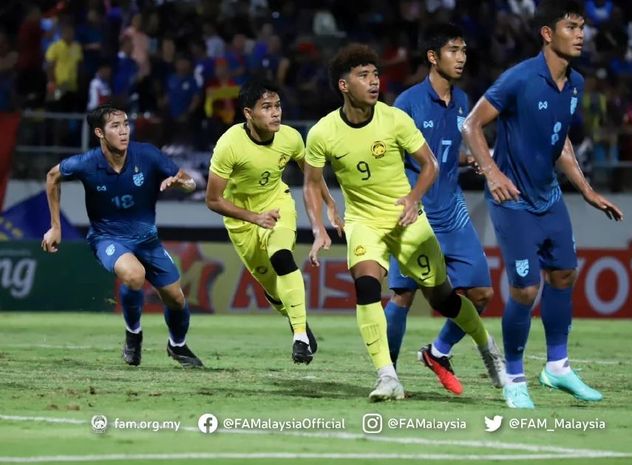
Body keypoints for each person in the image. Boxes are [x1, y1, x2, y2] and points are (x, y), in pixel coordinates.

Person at [304, 44, 505, 401]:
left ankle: (486, 345)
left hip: (406, 219)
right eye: (363, 75)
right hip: (364, 222)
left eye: (376, 74)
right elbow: (311, 182)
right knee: (367, 288)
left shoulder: (394, 119)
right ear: (343, 85)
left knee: (443, 298)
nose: (373, 82)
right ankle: (387, 376)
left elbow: (430, 164)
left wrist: (413, 199)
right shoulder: (323, 133)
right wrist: (320, 225)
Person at [463, 0, 623, 409]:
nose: (581, 34)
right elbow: (472, 124)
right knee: (525, 288)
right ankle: (514, 377)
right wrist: (493, 173)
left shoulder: (576, 84)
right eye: (571, 26)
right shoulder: (519, 78)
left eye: (582, 27)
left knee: (564, 274)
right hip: (512, 198)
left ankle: (558, 367)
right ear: (547, 34)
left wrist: (585, 189)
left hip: (548, 195)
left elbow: (561, 141)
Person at [41, 104, 203, 368]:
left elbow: (189, 181)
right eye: (115, 126)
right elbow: (52, 176)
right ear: (100, 133)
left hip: (148, 240)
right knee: (134, 275)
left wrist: (182, 183)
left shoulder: (147, 154)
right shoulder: (87, 162)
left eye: (126, 124)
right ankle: (134, 334)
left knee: (176, 298)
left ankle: (177, 345)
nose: (124, 131)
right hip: (107, 238)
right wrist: (55, 227)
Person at [384, 23, 498, 396]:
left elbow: (445, 151)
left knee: (481, 292)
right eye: (453, 50)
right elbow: (391, 159)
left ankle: (438, 352)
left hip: (453, 211)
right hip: (416, 213)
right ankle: (389, 374)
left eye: (464, 50)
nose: (461, 57)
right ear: (433, 57)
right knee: (403, 295)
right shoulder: (407, 104)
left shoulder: (464, 101)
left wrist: (468, 160)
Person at [205, 79, 340, 364]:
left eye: (277, 106)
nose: (275, 113)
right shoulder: (229, 145)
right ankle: (295, 319)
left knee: (282, 257)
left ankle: (300, 336)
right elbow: (213, 200)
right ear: (248, 113)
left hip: (278, 205)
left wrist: (330, 205)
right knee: (272, 287)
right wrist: (254, 217)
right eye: (266, 107)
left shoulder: (290, 138)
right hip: (242, 222)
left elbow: (312, 177)